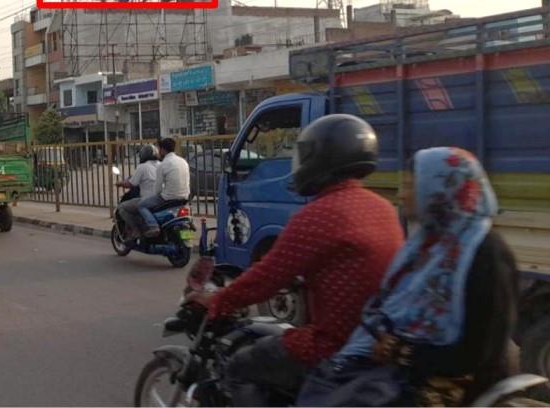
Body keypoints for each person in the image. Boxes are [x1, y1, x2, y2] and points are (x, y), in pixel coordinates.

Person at [189, 114, 405, 406]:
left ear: (322, 158)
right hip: (373, 341)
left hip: (332, 345)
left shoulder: (319, 215)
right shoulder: (383, 208)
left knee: (239, 366)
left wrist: (217, 301)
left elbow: (265, 279)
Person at [297, 147, 518, 407]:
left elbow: (479, 352)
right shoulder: (427, 246)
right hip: (405, 368)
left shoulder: (486, 254)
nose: (402, 196)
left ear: (439, 191)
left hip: (458, 381)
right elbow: (390, 306)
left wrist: (401, 352)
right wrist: (387, 343)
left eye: (411, 186)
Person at [124, 138, 190, 239]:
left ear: (163, 150)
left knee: (142, 205)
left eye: (159, 149)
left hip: (168, 198)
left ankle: (153, 226)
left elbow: (158, 189)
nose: (159, 152)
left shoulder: (163, 165)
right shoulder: (183, 161)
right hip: (184, 198)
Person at [115, 144, 160, 232]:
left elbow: (131, 183)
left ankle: (135, 230)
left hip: (148, 199)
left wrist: (119, 183)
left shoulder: (142, 167)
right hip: (161, 199)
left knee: (122, 207)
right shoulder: (161, 165)